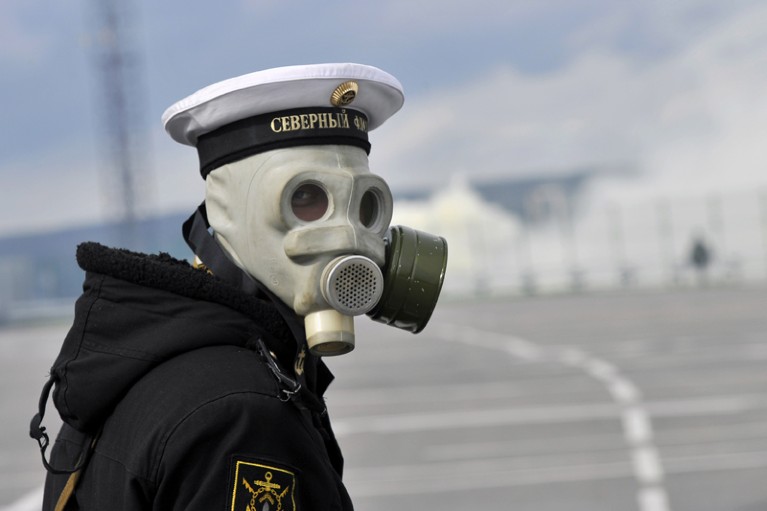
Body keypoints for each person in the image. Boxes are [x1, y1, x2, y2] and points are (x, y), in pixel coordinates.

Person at [30, 63, 447, 511]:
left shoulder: (134, 359)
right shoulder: (242, 416)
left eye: (366, 205)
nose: (348, 237)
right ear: (226, 210)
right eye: (306, 198)